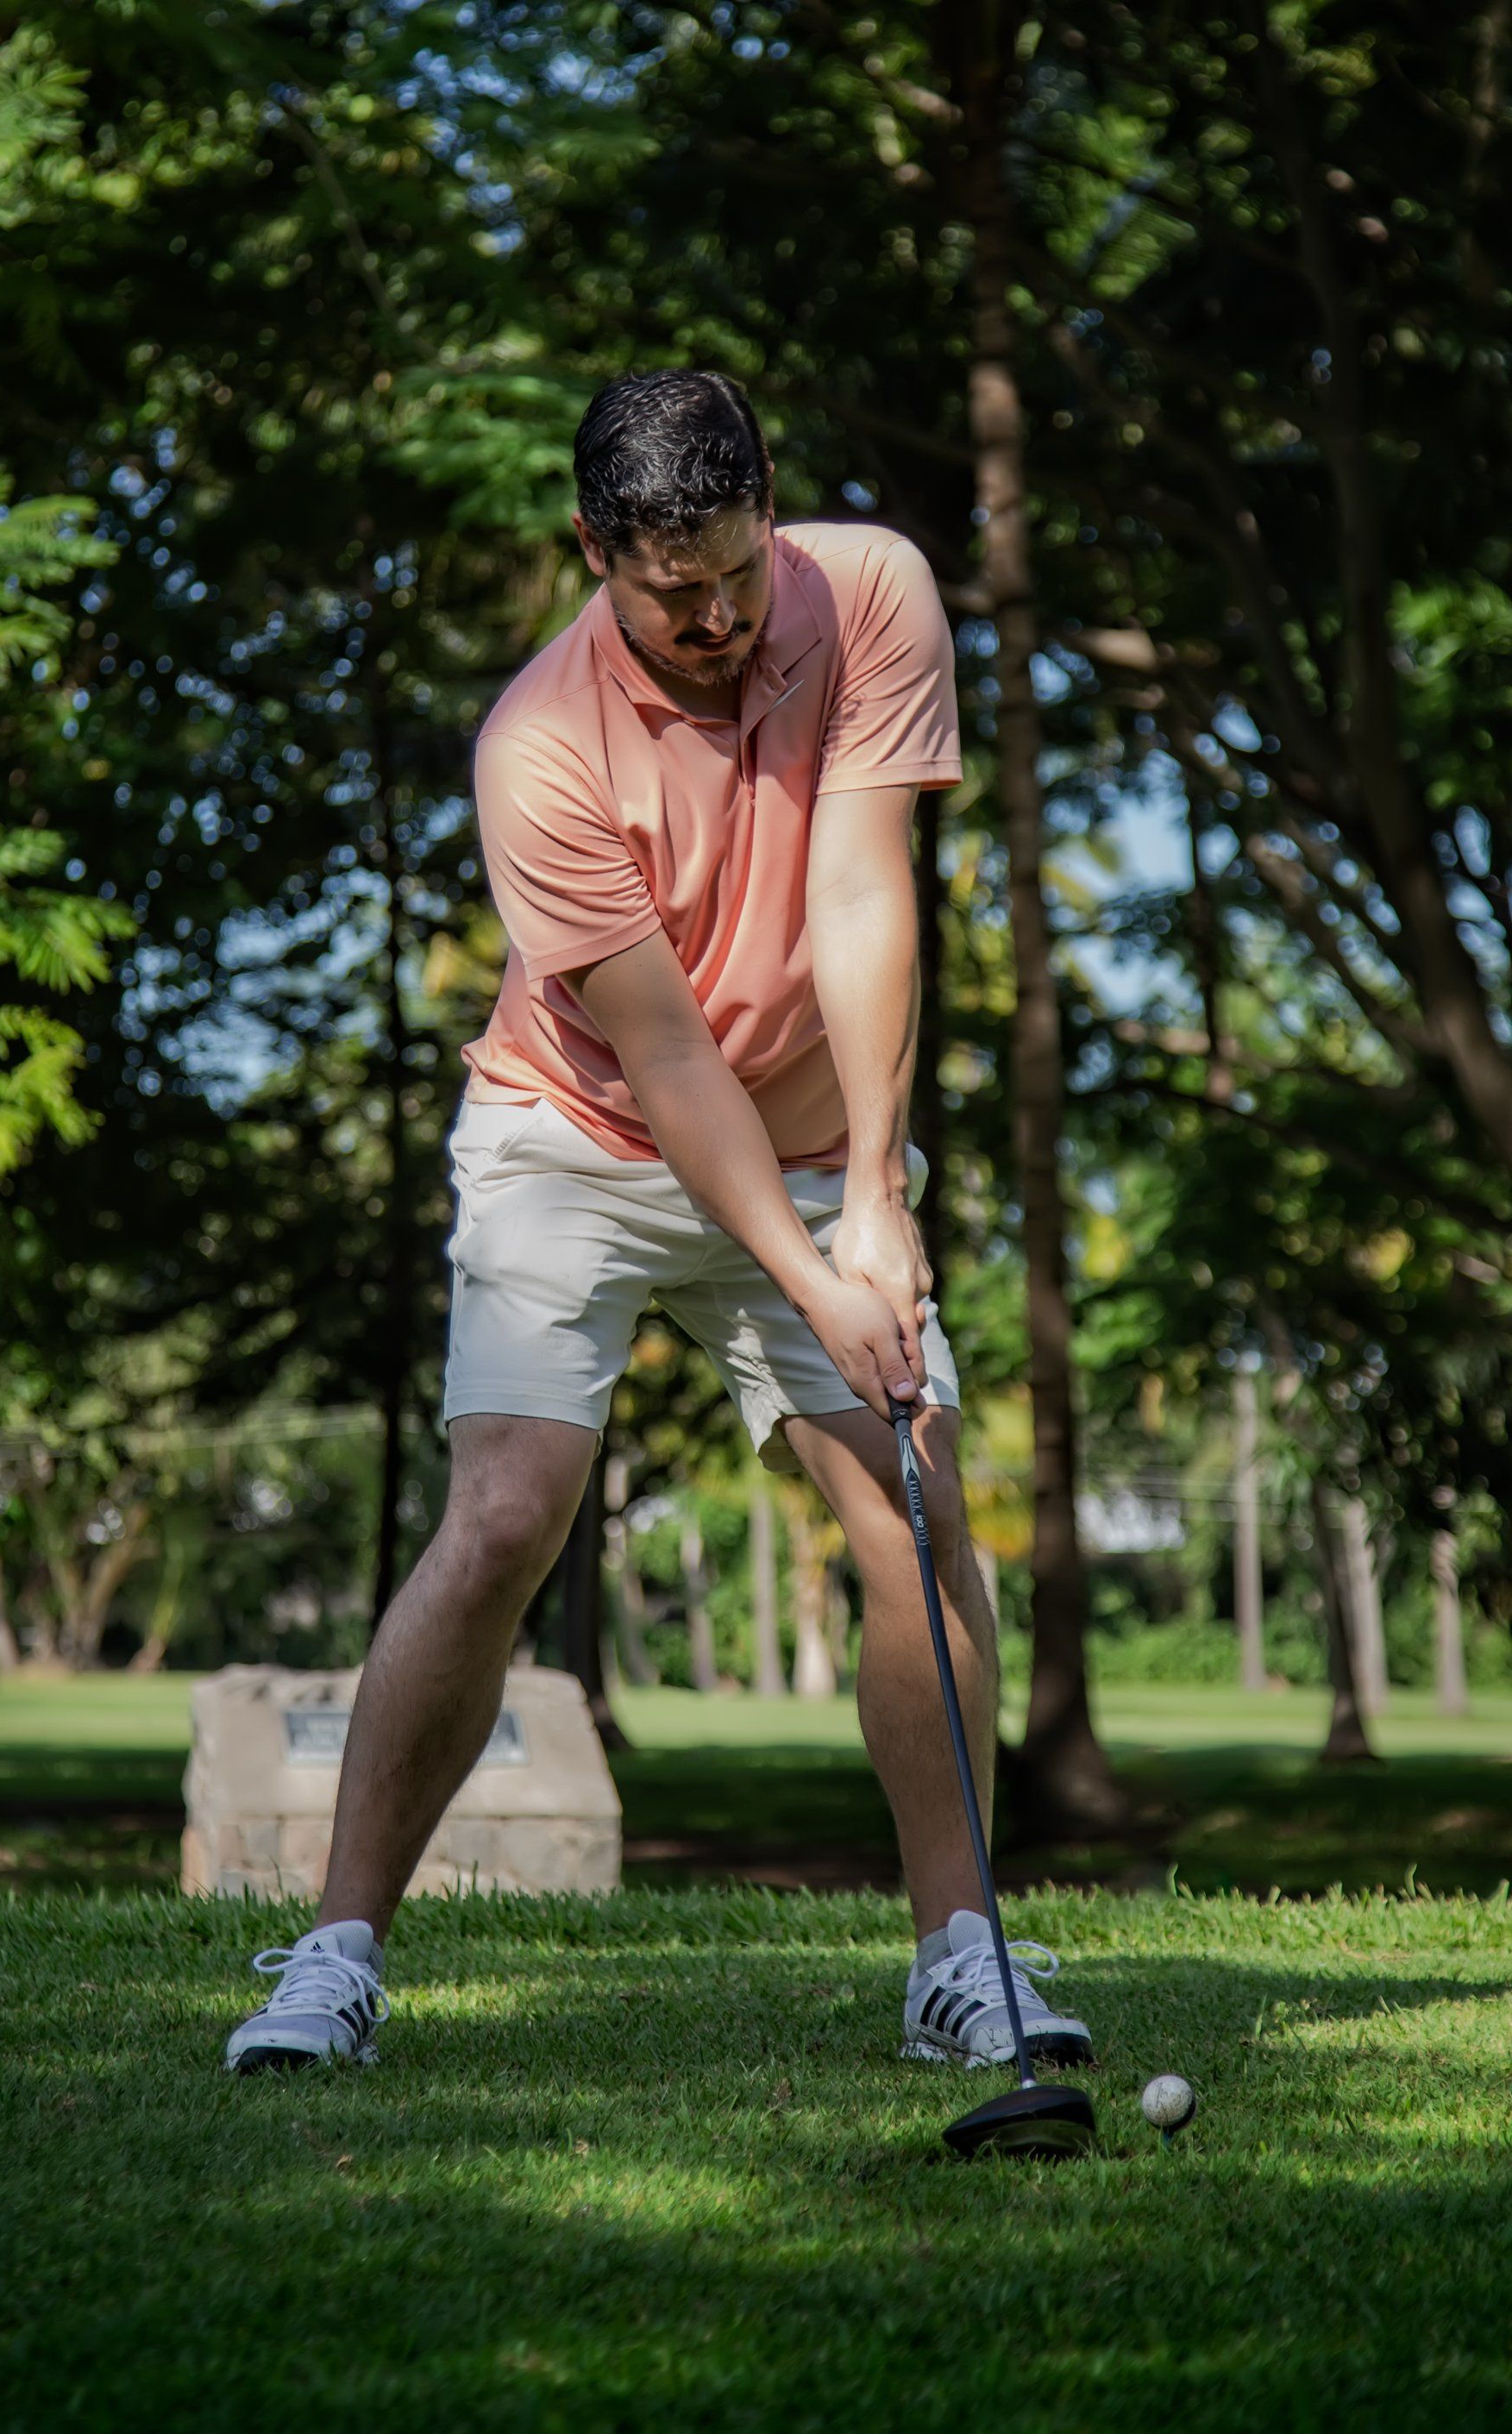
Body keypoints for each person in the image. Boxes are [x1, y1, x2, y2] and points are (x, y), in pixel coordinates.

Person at [224, 369, 1094, 2078]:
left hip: (822, 1135)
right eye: (660, 587)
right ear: (593, 550)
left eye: (727, 572)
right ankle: (335, 1951)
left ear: (770, 502)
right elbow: (671, 1054)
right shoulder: (540, 751)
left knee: (909, 1497)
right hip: (579, 1136)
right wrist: (802, 1269)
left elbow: (859, 889)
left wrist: (885, 1203)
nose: (705, 619)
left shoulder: (872, 594)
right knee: (502, 1519)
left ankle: (960, 1955)